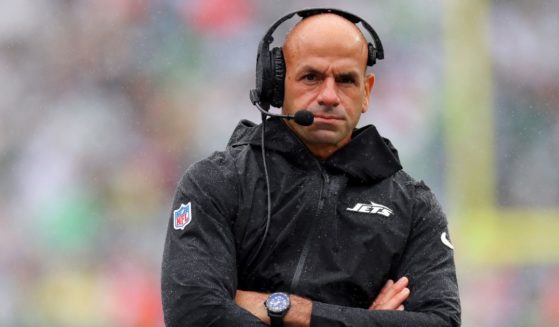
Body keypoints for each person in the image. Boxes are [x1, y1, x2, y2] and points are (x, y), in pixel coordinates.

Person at [161, 8, 461, 327]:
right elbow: (194, 315)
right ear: (277, 85)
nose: (329, 96)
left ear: (366, 93)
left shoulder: (413, 207)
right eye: (311, 77)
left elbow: (441, 322)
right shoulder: (217, 182)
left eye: (346, 80)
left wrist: (288, 309)